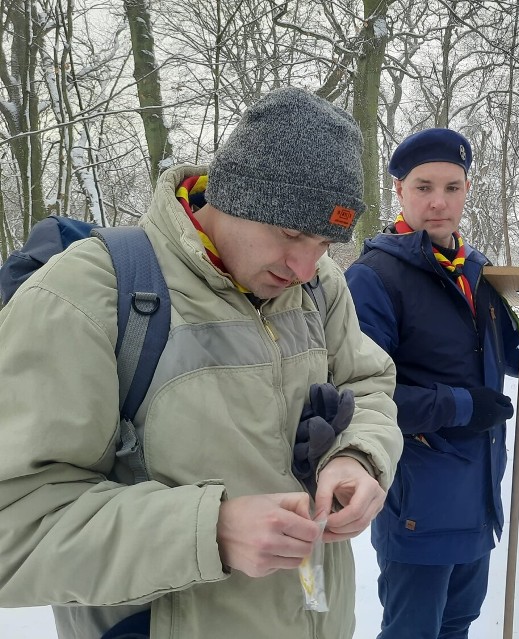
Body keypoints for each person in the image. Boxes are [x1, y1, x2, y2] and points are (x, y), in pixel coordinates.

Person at [0, 87, 403, 639]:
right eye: (290, 234)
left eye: (326, 243)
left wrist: (360, 456)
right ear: (234, 196)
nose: (306, 265)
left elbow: (369, 382)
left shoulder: (319, 290)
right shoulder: (89, 294)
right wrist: (208, 531)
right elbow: (14, 529)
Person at [345, 128, 519, 639]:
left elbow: (505, 345)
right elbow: (362, 396)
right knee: (412, 631)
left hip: (479, 494)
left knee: (458, 624)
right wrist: (462, 406)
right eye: (423, 187)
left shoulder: (475, 270)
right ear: (399, 190)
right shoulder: (375, 277)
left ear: (467, 190)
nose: (438, 202)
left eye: (452, 187)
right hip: (417, 499)